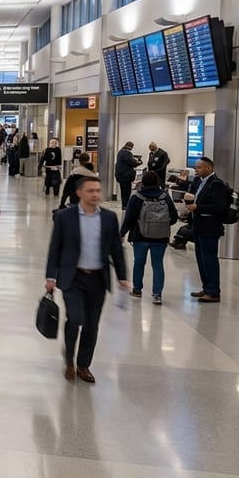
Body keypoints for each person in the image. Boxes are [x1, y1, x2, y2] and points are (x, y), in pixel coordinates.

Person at [45, 177, 130, 384]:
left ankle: (84, 364)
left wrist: (122, 277)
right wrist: (50, 276)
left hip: (98, 279)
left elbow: (116, 250)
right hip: (73, 277)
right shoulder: (65, 217)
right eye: (91, 191)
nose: (96, 195)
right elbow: (55, 248)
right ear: (79, 193)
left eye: (98, 191)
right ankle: (69, 360)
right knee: (74, 319)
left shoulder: (109, 218)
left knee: (92, 324)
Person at [119, 171, 178, 305]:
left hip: (140, 236)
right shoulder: (165, 197)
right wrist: (161, 225)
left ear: (143, 182)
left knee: (139, 263)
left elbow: (128, 218)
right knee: (158, 265)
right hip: (160, 237)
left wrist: (122, 233)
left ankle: (137, 289)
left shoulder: (137, 197)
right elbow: (174, 217)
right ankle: (157, 294)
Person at [184, 157, 229, 303]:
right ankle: (207, 287)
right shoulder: (198, 182)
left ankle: (213, 291)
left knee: (209, 259)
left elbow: (220, 207)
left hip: (210, 227)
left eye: (199, 168)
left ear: (209, 168)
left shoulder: (217, 185)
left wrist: (198, 207)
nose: (196, 170)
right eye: (196, 167)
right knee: (201, 260)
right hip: (198, 226)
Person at [114, 141, 142, 206]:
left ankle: (124, 205)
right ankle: (125, 205)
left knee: (123, 192)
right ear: (130, 146)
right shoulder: (126, 153)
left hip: (121, 176)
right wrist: (138, 162)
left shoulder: (120, 152)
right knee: (126, 192)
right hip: (125, 176)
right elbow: (132, 163)